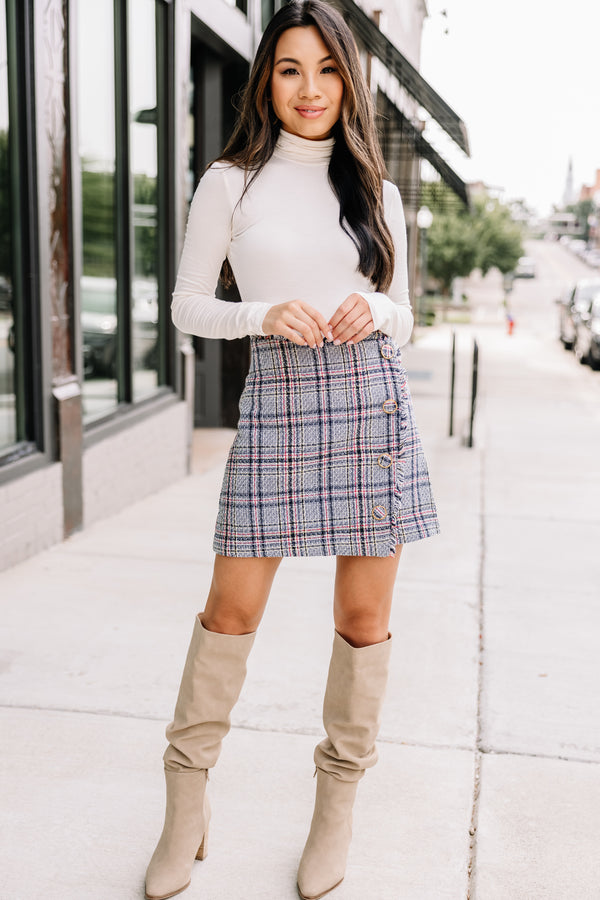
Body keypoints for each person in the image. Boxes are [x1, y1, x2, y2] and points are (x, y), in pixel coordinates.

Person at [144, 2, 439, 898]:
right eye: (288, 70)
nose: (309, 90)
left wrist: (380, 310)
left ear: (350, 79)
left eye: (325, 70)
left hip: (368, 409)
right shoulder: (231, 182)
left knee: (362, 624)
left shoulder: (376, 191)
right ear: (265, 80)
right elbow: (187, 304)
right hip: (275, 405)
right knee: (230, 612)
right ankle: (185, 804)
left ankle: (335, 810)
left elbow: (406, 315)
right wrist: (262, 314)